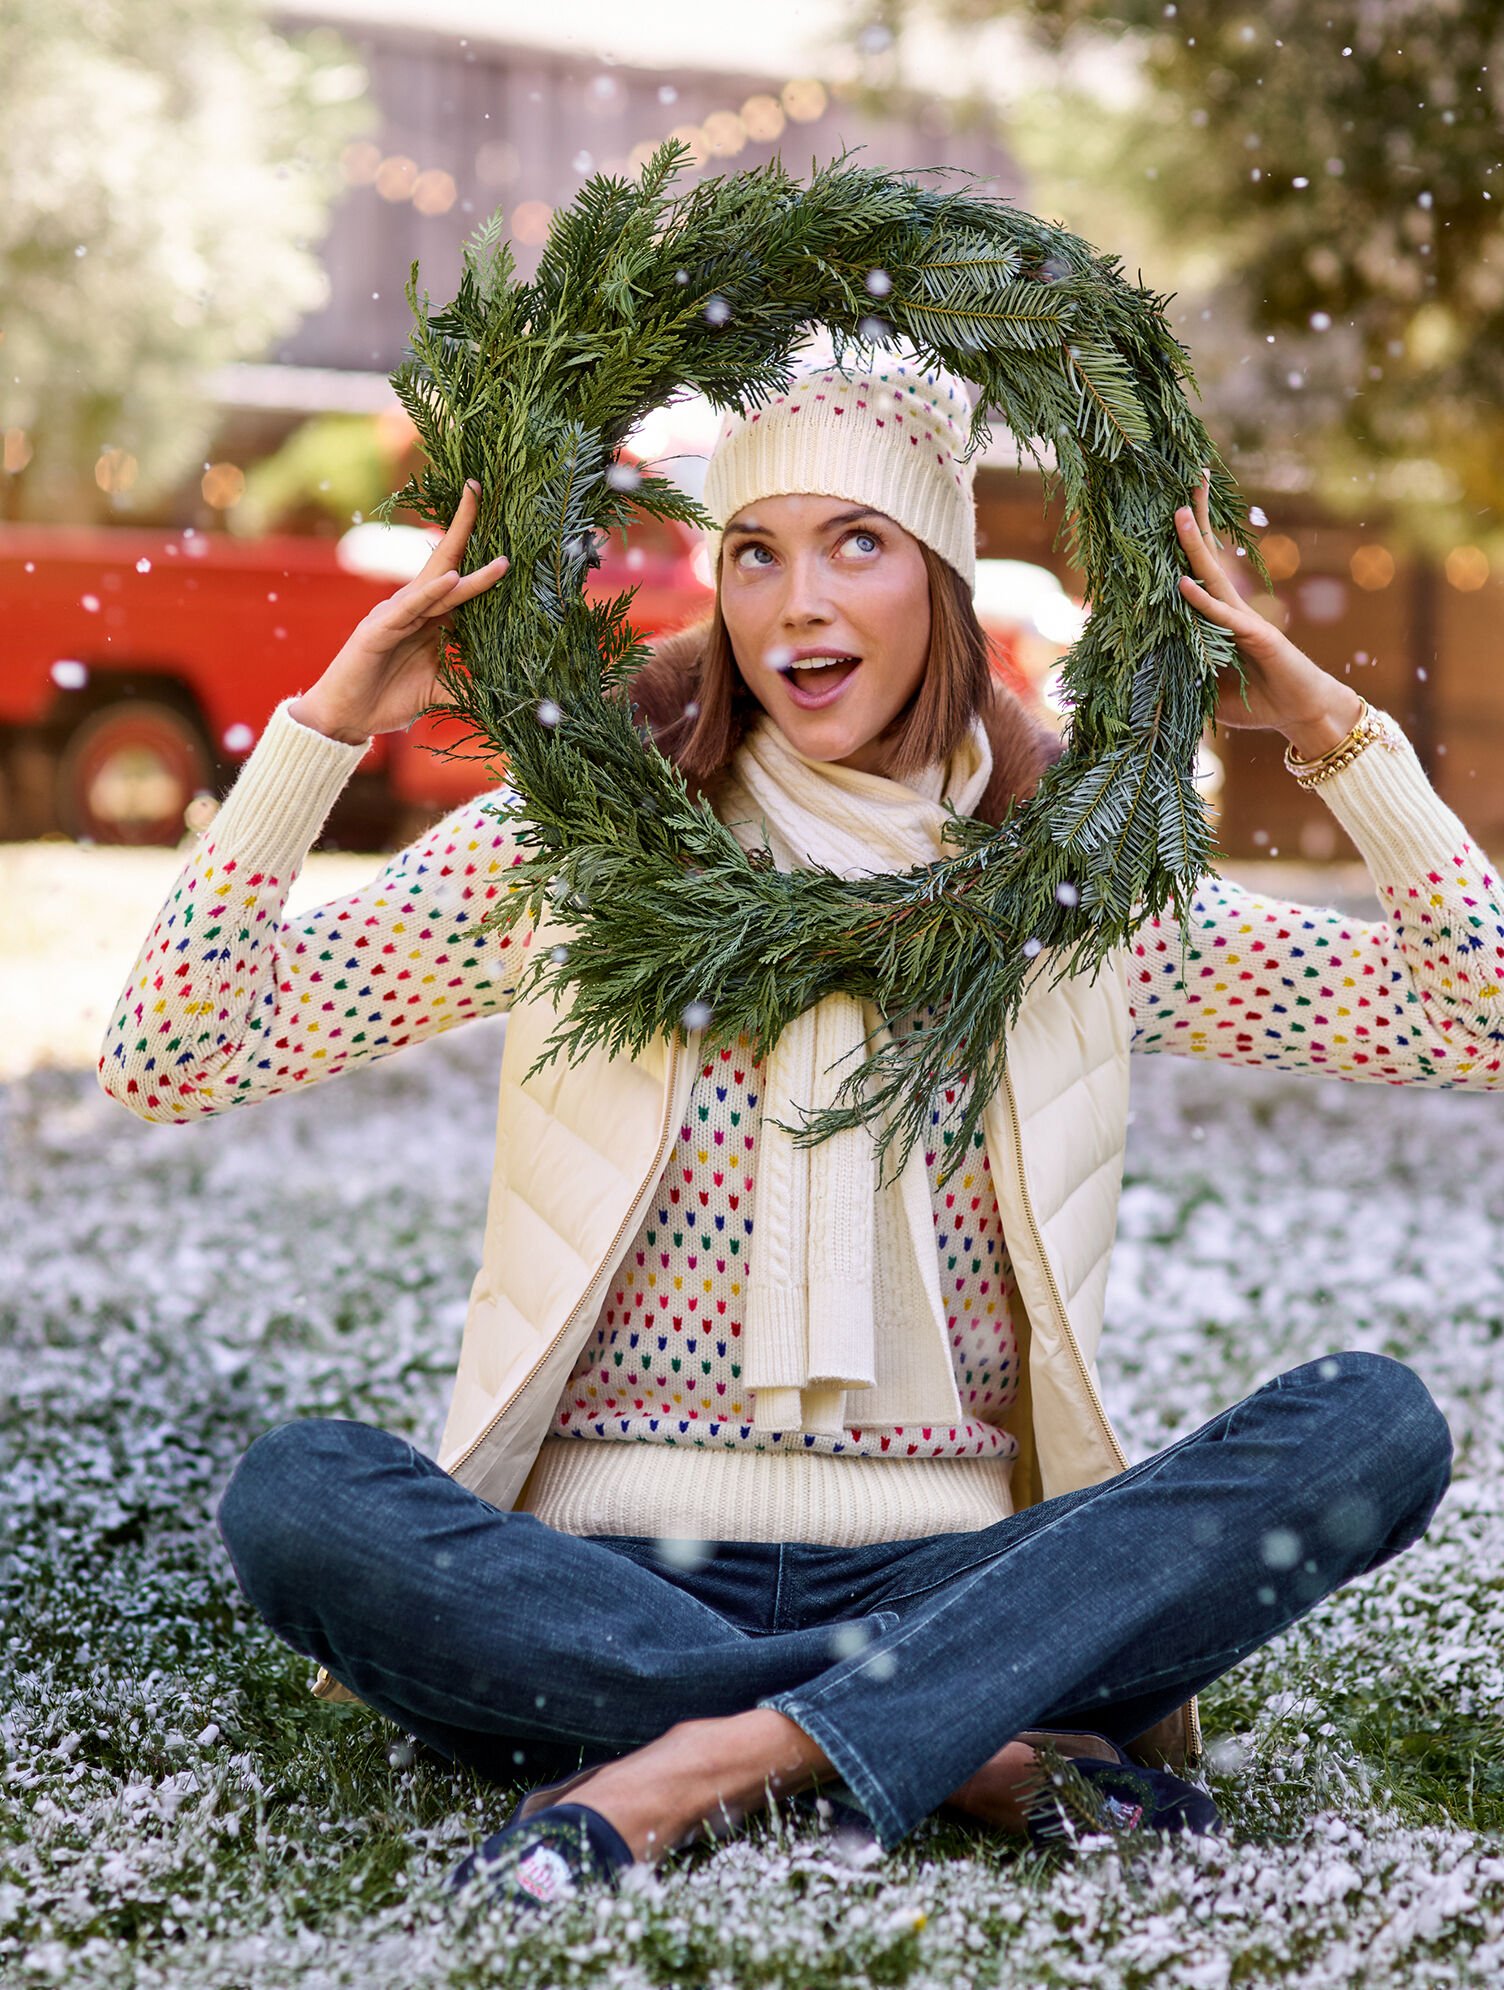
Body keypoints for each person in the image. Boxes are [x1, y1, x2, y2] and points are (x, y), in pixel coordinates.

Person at [100, 361, 1490, 1913]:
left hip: (953, 1570)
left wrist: (1338, 734)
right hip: (603, 1571)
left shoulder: (1073, 896)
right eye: (755, 549)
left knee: (1375, 1426)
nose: (797, 601)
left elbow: (1477, 1015)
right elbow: (174, 1048)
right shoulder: (582, 849)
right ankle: (954, 1738)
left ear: (943, 580)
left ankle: (698, 1758)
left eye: (857, 542)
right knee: (299, 1495)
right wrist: (326, 728)